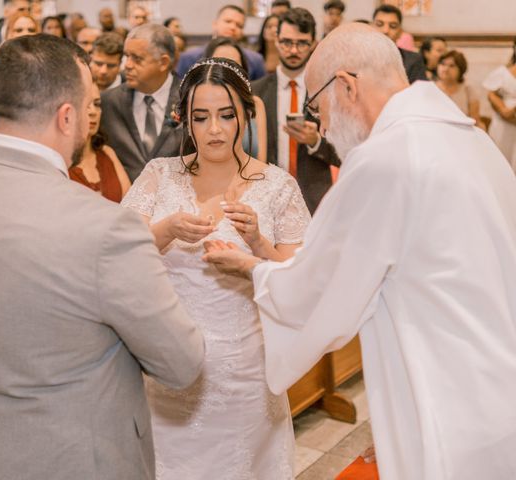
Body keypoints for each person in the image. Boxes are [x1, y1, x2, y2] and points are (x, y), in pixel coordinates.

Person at [203, 23, 516, 480]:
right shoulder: (474, 140)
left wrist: (251, 267)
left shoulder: (384, 159)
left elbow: (316, 290)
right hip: (497, 391)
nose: (322, 129)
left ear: (346, 86)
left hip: (446, 407)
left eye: (318, 107)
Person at [0, 34, 204, 480]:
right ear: (67, 116)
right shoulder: (105, 229)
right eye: (86, 108)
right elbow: (180, 364)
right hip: (66, 460)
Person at [122, 56, 308, 479]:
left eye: (227, 115)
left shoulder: (278, 185)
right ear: (184, 120)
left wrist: (257, 245)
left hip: (246, 369)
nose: (215, 130)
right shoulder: (158, 176)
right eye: (201, 118)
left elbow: (300, 280)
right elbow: (117, 256)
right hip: (168, 365)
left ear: (247, 113)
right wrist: (166, 230)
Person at [252, 8, 341, 214]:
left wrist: (315, 141)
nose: (293, 50)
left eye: (301, 43)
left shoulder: (327, 90)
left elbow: (344, 153)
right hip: (267, 196)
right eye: (287, 42)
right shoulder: (256, 91)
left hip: (314, 197)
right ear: (276, 40)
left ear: (313, 44)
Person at [100, 24, 184, 182]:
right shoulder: (109, 102)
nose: (128, 66)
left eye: (137, 59)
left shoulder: (188, 100)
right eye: (127, 57)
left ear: (163, 62)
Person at [203, 37, 267, 161]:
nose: (227, 69)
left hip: (251, 177)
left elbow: (261, 159)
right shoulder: (198, 104)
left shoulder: (255, 104)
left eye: (234, 64)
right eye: (221, 63)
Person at [69, 82, 130, 202]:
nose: (93, 112)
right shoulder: (58, 161)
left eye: (97, 104)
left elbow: (132, 205)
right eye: (85, 104)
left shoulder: (107, 153)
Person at [176, 5, 266, 81]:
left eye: (239, 25)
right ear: (215, 24)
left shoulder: (255, 60)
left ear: (242, 32)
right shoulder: (188, 58)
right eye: (228, 21)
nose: (232, 27)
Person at [483, 40, 516, 172]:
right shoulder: (502, 72)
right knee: (501, 160)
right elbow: (491, 94)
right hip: (503, 124)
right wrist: (503, 110)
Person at [372, 4, 427, 83]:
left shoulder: (412, 60)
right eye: (379, 24)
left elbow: (418, 92)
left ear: (400, 32)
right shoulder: (359, 57)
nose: (386, 30)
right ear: (371, 27)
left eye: (393, 26)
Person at [435, 50, 484, 129]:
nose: (446, 69)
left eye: (452, 66)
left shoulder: (468, 91)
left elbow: (475, 121)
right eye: (443, 64)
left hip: (463, 133)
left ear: (461, 70)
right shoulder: (430, 88)